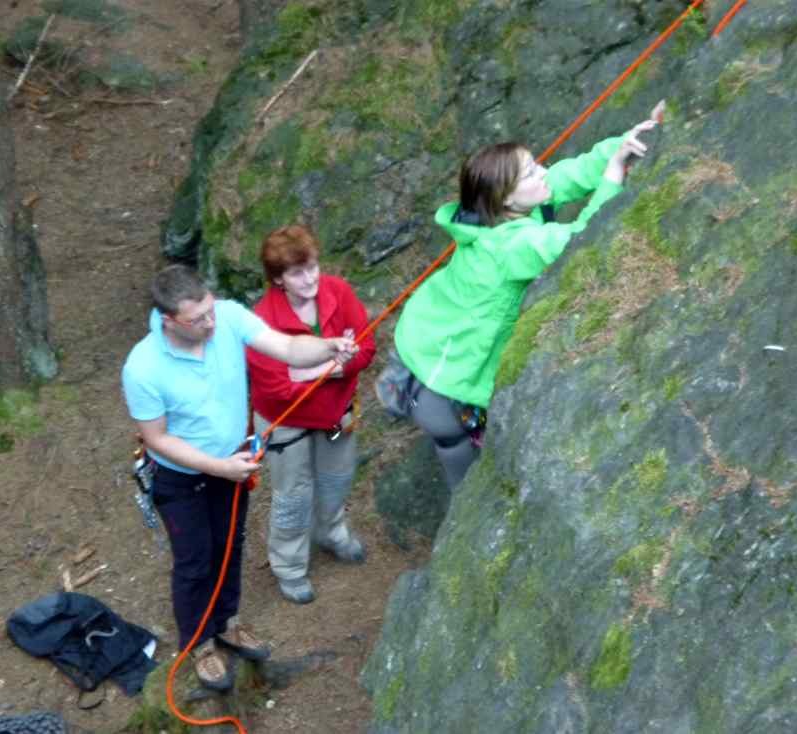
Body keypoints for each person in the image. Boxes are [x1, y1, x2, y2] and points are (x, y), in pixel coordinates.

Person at [392, 104, 663, 488]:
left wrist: (619, 147)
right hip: (445, 384)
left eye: (536, 164)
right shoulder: (510, 246)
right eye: (530, 173)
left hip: (427, 339)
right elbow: (581, 240)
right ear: (505, 199)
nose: (542, 173)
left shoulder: (501, 214)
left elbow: (567, 174)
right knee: (467, 477)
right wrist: (612, 178)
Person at [121, 264, 357, 691]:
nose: (211, 323)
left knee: (230, 545)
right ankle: (199, 642)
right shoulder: (142, 367)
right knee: (194, 561)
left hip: (231, 465)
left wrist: (326, 348)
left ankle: (228, 622)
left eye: (211, 310)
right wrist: (218, 467)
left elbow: (284, 347)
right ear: (169, 320)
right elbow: (156, 439)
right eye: (198, 320)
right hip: (181, 480)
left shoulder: (227, 317)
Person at [247, 225, 377, 604]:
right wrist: (335, 366)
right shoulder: (262, 321)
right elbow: (278, 390)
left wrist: (314, 371)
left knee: (337, 477)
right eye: (297, 272)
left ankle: (331, 531)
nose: (310, 279)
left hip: (336, 415)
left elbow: (366, 348)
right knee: (293, 496)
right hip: (286, 425)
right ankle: (289, 566)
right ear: (278, 279)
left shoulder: (337, 291)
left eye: (313, 266)